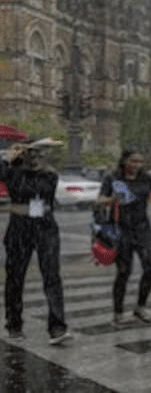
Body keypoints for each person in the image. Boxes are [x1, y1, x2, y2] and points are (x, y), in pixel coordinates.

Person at [97, 149, 151, 326]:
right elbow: (98, 201)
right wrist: (111, 200)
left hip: (142, 228)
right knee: (123, 271)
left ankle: (140, 306)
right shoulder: (112, 178)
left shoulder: (146, 178)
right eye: (133, 161)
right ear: (124, 161)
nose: (137, 165)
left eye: (140, 162)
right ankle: (118, 312)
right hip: (121, 229)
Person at [1, 140, 72, 344]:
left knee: (52, 275)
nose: (37, 158)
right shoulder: (12, 172)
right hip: (19, 228)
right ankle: (14, 324)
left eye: (41, 154)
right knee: (15, 276)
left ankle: (57, 327)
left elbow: (39, 191)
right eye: (33, 154)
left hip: (45, 226)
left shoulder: (49, 175)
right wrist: (8, 157)